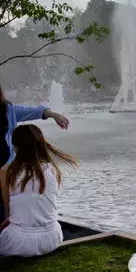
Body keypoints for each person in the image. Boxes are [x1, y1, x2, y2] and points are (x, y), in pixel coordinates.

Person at [0, 124, 78, 257]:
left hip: (18, 243)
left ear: (15, 146)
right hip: (52, 239)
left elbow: (9, 209)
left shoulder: (7, 171)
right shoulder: (54, 170)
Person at [0, 83, 69, 223]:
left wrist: (52, 114)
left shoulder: (8, 110)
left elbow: (35, 111)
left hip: (6, 167)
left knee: (8, 206)